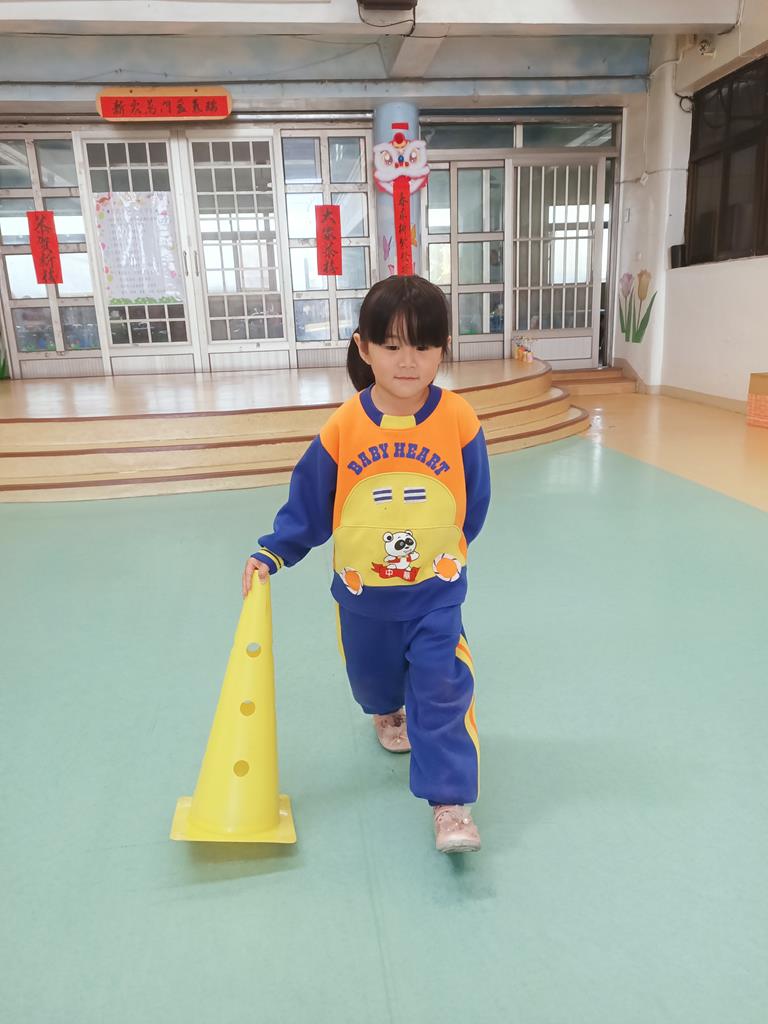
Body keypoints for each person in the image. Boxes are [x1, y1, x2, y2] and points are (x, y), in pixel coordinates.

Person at [242, 275, 491, 853]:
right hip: (363, 597)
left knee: (442, 690)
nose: (409, 361)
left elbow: (473, 500)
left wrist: (447, 553)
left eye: (424, 346)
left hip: (435, 594)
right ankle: (385, 709)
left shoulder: (458, 419)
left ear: (443, 349)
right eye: (393, 345)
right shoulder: (345, 425)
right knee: (373, 680)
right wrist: (274, 551)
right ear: (364, 347)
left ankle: (450, 803)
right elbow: (311, 500)